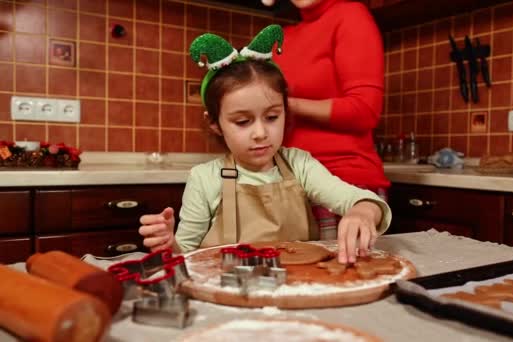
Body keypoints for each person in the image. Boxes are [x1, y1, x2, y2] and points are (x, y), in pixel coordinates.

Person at [138, 26, 391, 263]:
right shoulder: (204, 179)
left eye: (272, 117)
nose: (260, 133)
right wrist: (168, 244)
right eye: (243, 121)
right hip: (230, 294)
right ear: (214, 123)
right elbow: (184, 256)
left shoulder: (300, 165)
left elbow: (358, 200)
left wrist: (363, 211)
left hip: (298, 289)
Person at [267, 0, 390, 240]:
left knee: (344, 274)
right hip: (288, 184)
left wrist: (284, 105)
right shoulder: (283, 37)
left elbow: (365, 109)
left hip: (342, 183)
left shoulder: (350, 15)